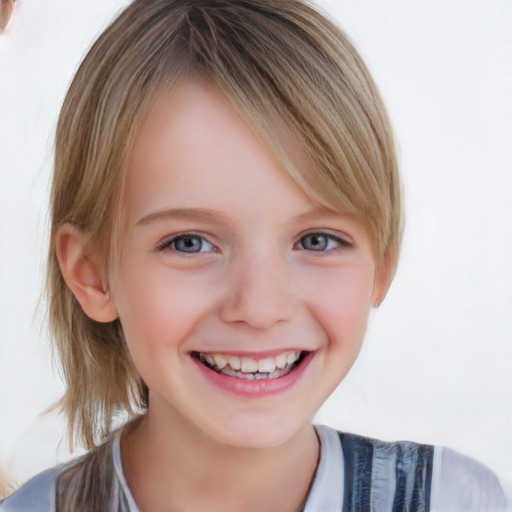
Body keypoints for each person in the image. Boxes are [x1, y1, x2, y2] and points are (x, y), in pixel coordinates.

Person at [0, 0, 507, 510]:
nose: (261, 308)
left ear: (382, 263)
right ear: (92, 274)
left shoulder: (457, 499)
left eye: (317, 241)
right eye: (189, 243)